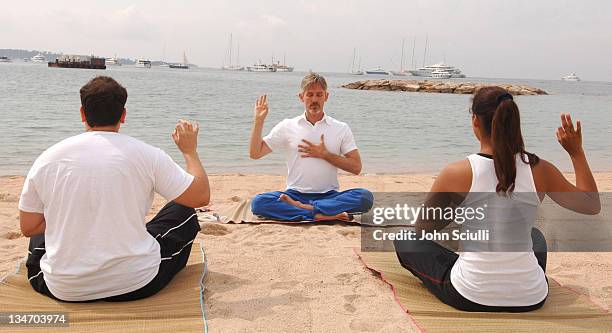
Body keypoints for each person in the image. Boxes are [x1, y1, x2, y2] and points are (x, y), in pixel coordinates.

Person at [394, 86, 600, 312]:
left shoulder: (456, 173)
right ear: (514, 122)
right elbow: (591, 204)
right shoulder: (540, 169)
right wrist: (576, 152)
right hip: (531, 297)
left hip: (470, 295)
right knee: (534, 236)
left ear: (475, 121)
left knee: (405, 239)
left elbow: (423, 231)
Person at [19, 76, 210, 302]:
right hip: (135, 284)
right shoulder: (148, 155)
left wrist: (75, 216)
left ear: (82, 113)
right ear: (123, 115)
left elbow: (29, 227)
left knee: (42, 229)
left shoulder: (48, 158)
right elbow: (200, 197)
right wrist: (189, 151)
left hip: (65, 288)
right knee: (184, 212)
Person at [249, 72, 373, 221]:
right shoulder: (287, 126)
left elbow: (356, 167)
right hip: (294, 194)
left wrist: (325, 155)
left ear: (326, 96)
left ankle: (309, 210)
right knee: (259, 203)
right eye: (310, 95)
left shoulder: (340, 128)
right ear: (301, 97)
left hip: (330, 196)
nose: (314, 99)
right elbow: (255, 153)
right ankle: (321, 213)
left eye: (319, 95)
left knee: (365, 197)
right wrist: (258, 121)